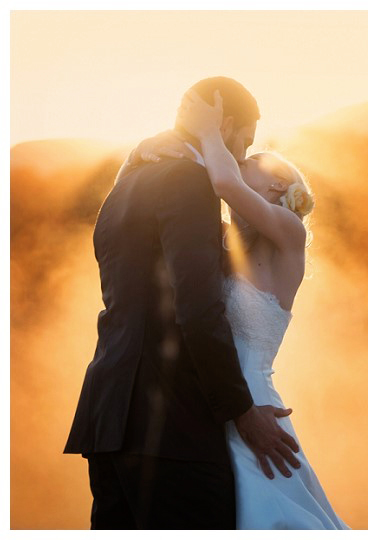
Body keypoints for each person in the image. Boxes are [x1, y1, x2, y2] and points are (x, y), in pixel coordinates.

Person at [64, 77, 304, 529]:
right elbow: (196, 309)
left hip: (108, 416)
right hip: (173, 427)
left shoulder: (125, 187)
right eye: (245, 142)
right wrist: (241, 411)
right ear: (225, 124)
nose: (240, 157)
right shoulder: (190, 184)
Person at [111, 89, 350, 529]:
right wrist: (141, 155)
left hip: (252, 403)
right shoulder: (226, 243)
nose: (238, 162)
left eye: (249, 163)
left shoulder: (289, 231)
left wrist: (205, 132)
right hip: (211, 403)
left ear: (278, 186)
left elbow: (222, 182)